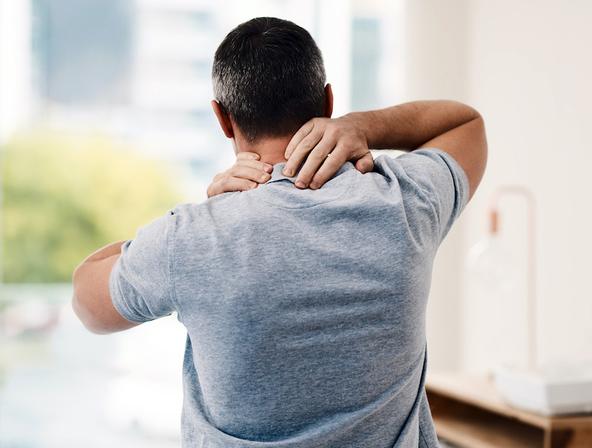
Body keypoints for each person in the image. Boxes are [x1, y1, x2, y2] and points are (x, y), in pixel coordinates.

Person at [71, 17, 487, 447]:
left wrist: (196, 219)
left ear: (222, 118)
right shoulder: (404, 200)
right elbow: (465, 124)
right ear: (327, 102)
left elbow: (87, 303)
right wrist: (362, 125)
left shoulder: (191, 240)